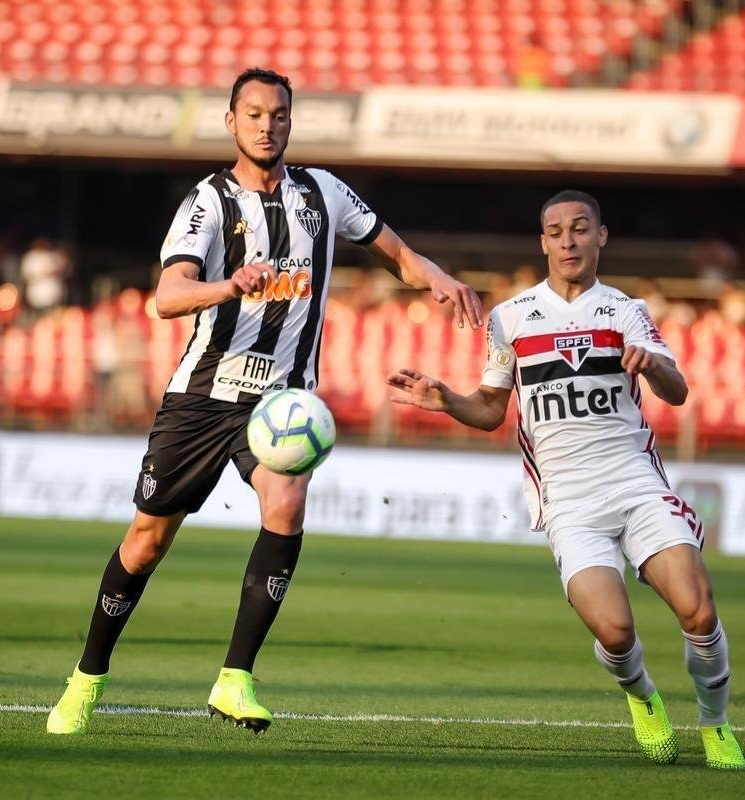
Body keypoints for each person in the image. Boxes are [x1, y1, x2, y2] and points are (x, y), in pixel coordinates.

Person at [45, 68, 483, 735]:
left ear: (289, 120)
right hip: (200, 398)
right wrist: (229, 285)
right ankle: (87, 678)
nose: (267, 125)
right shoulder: (207, 202)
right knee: (145, 542)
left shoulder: (323, 191)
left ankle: (234, 678)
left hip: (279, 403)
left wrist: (438, 278)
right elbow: (167, 296)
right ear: (231, 122)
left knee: (287, 499)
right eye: (253, 114)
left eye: (278, 114)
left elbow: (394, 251)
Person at [386, 190, 745, 770]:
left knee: (698, 612)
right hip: (570, 502)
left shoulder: (627, 310)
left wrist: (653, 364)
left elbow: (678, 392)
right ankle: (644, 698)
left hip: (636, 485)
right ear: (543, 242)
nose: (569, 240)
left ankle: (715, 724)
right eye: (556, 231)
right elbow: (490, 409)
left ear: (601, 236)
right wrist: (447, 399)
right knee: (616, 631)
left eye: (581, 228)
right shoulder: (510, 319)